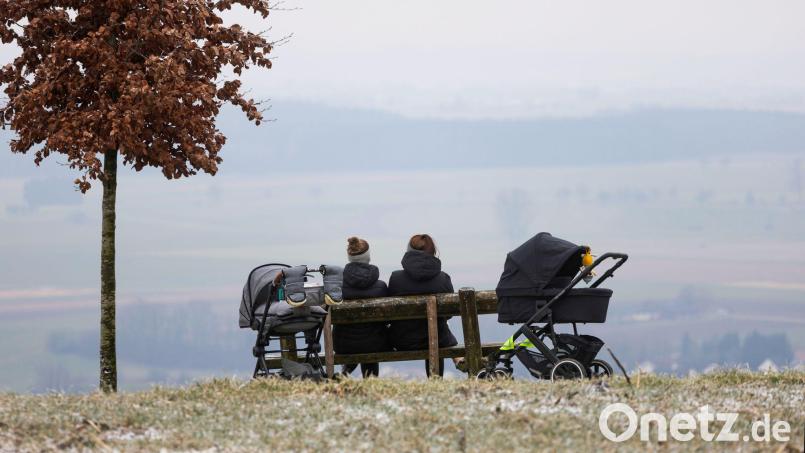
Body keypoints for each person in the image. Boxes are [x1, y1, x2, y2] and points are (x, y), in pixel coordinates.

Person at [387, 234, 458, 377]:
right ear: (433, 252)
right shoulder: (443, 279)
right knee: (438, 330)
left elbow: (390, 314)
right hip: (437, 340)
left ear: (408, 252)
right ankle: (436, 378)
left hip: (403, 340)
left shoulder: (396, 278)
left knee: (436, 330)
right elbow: (449, 314)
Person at [332, 237, 390, 378]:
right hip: (376, 343)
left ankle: (345, 373)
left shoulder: (337, 288)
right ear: (368, 256)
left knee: (359, 337)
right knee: (370, 336)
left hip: (343, 345)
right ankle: (370, 381)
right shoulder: (381, 287)